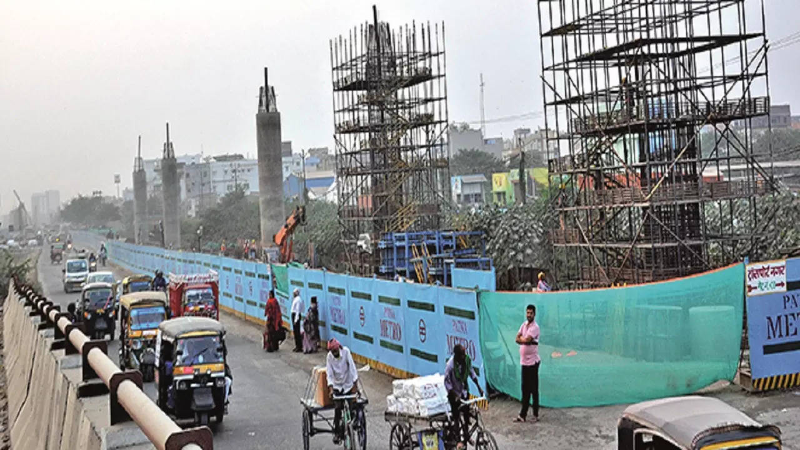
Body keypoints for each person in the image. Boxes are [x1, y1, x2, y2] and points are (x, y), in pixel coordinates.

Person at [444, 344, 483, 448]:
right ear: (456, 355)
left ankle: (466, 435)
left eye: (464, 355)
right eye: (461, 355)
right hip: (454, 394)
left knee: (466, 414)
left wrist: (479, 387)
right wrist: (454, 395)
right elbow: (447, 383)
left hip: (464, 392)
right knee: (456, 416)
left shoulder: (466, 361)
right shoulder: (450, 366)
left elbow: (472, 373)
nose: (463, 357)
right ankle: (457, 439)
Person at [326, 339, 359, 445]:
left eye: (335, 351)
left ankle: (351, 424)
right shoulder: (329, 357)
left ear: (338, 348)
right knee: (337, 409)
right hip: (337, 386)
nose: (334, 354)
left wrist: (355, 385)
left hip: (348, 384)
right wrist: (331, 389)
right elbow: (329, 374)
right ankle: (337, 432)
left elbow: (353, 369)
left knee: (352, 406)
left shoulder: (346, 352)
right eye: (332, 352)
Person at [514, 304, 541, 423]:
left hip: (533, 362)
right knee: (525, 388)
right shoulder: (524, 325)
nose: (529, 315)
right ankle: (522, 415)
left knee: (533, 389)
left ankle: (535, 414)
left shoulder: (535, 327)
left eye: (531, 313)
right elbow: (517, 338)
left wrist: (523, 340)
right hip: (524, 362)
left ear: (534, 314)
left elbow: (527, 339)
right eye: (527, 312)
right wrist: (522, 341)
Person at [290, 288, 304, 352]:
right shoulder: (295, 299)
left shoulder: (298, 300)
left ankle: (299, 346)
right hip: (294, 315)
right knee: (295, 332)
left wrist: (296, 320)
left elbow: (298, 311)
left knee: (297, 332)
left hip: (296, 316)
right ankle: (297, 346)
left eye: (294, 293)